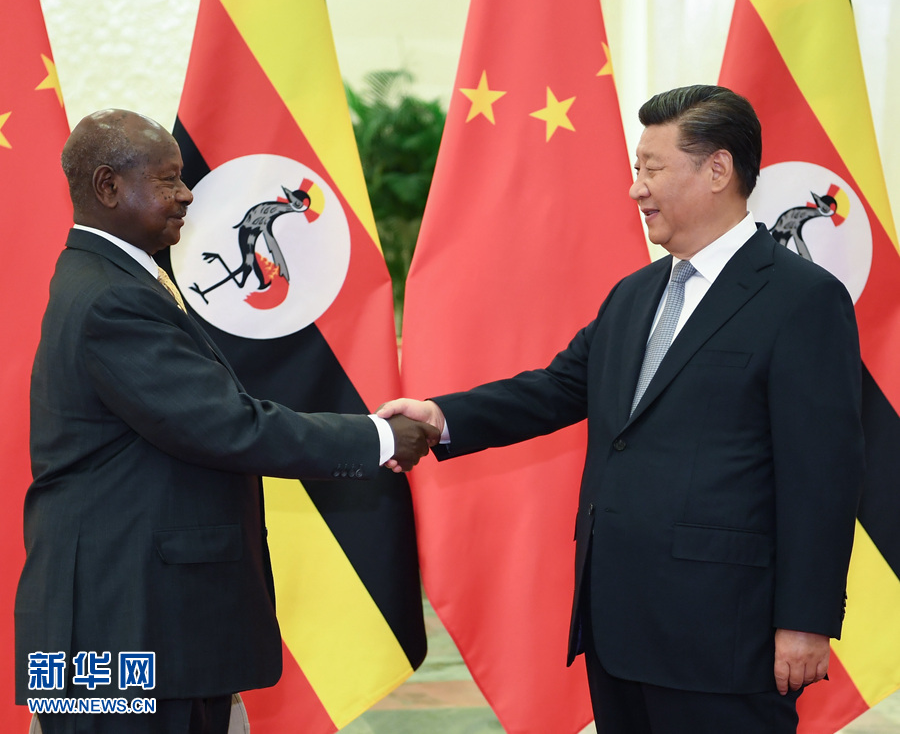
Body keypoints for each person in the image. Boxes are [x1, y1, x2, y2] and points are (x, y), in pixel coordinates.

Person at [379, 86, 864, 733]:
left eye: (652, 169)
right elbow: (556, 389)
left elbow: (823, 476)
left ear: (717, 170)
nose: (636, 189)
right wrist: (441, 417)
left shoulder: (802, 299)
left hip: (725, 637)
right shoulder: (634, 295)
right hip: (617, 625)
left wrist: (805, 622)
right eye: (637, 169)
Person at [15, 109, 439, 734]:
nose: (187, 194)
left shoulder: (115, 277)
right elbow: (227, 426)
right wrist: (377, 438)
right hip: (125, 627)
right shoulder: (112, 298)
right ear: (108, 186)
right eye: (167, 180)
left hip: (143, 623)